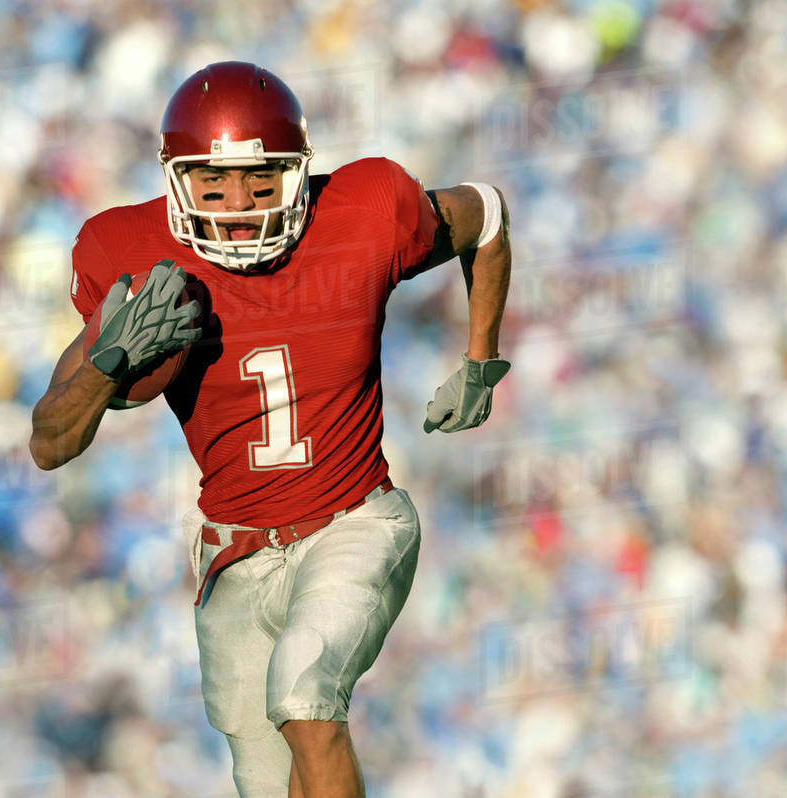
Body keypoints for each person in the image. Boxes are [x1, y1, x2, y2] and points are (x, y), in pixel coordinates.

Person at [30, 61, 511, 798]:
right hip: (236, 554)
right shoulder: (130, 253)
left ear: (299, 171)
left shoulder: (363, 209)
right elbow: (50, 443)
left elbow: (488, 215)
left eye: (261, 181)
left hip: (355, 521)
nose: (238, 203)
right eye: (214, 183)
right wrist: (108, 361)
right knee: (265, 778)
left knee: (305, 694)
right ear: (175, 179)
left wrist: (481, 362)